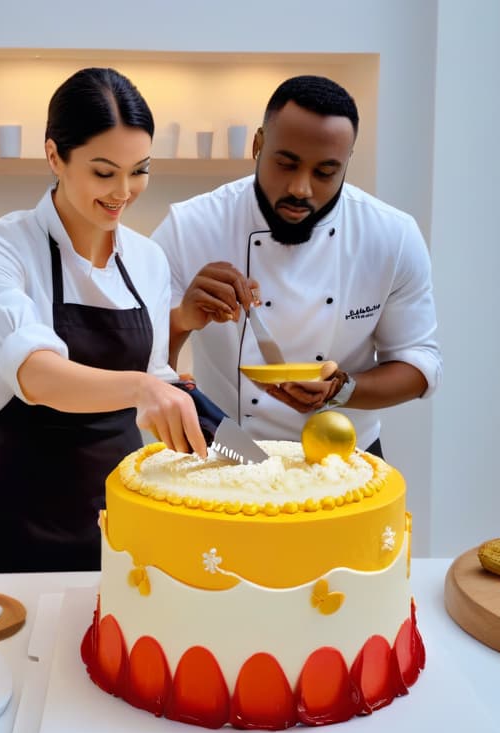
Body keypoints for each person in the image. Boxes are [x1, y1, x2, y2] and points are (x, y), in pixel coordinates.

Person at [0, 67, 206, 574]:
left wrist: (252, 462)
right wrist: (143, 388)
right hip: (18, 502)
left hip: (118, 499)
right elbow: (36, 374)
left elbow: (155, 373)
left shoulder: (149, 259)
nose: (125, 191)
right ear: (54, 157)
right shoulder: (0, 245)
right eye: (104, 172)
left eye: (140, 169)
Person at [156, 75, 442, 456]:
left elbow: (419, 363)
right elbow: (138, 358)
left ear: (346, 163)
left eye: (325, 172)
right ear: (258, 145)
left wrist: (344, 390)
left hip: (345, 459)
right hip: (227, 457)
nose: (301, 188)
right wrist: (182, 319)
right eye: (286, 164)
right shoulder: (189, 226)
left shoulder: (392, 235)